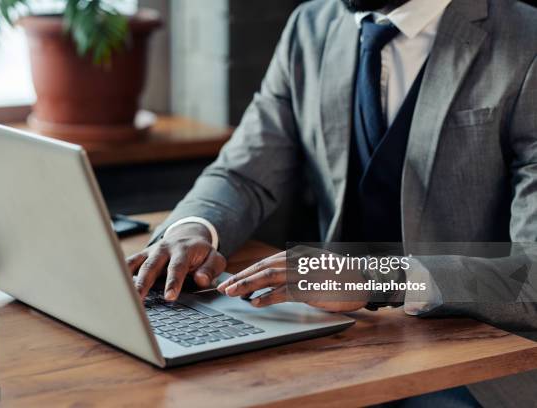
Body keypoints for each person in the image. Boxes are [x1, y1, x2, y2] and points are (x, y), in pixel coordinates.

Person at [127, 0, 537, 406]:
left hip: (478, 361)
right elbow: (243, 171)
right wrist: (193, 227)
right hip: (338, 334)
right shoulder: (311, 26)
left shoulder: (527, 42)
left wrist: (379, 277)